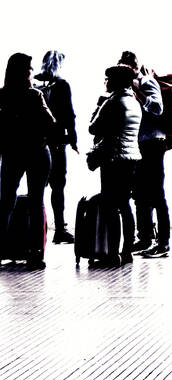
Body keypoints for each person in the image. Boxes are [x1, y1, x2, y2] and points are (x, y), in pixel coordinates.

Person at [0, 53, 60, 269]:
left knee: (5, 201)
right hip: (37, 152)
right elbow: (51, 123)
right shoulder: (34, 95)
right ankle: (36, 254)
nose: (32, 71)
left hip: (12, 153)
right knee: (36, 202)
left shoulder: (2, 96)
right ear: (24, 71)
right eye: (29, 68)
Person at [88, 64, 142, 266]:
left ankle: (112, 254)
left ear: (115, 81)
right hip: (131, 158)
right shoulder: (134, 102)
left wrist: (98, 106)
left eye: (108, 78)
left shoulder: (112, 102)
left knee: (110, 207)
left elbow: (93, 128)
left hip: (113, 159)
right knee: (125, 205)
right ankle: (127, 252)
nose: (105, 82)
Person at [118, 52, 169, 259]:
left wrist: (140, 93)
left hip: (153, 143)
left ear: (134, 67)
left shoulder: (146, 82)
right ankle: (145, 237)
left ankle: (163, 243)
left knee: (156, 193)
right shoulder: (130, 85)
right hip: (139, 144)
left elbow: (157, 108)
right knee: (140, 193)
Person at [34, 49, 78, 243]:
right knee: (58, 186)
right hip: (58, 143)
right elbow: (69, 116)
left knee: (37, 188)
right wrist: (74, 140)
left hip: (38, 143)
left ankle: (36, 231)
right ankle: (60, 229)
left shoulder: (36, 84)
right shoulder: (62, 85)